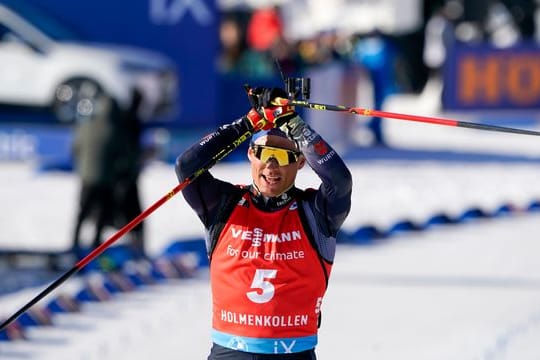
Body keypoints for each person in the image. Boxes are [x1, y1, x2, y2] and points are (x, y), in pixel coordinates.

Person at [175, 87, 352, 359]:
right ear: (250, 154)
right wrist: (248, 124)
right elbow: (187, 166)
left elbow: (339, 182)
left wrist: (294, 125)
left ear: (301, 161)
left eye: (282, 156)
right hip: (230, 352)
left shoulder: (315, 212)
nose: (270, 166)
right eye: (263, 152)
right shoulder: (224, 203)